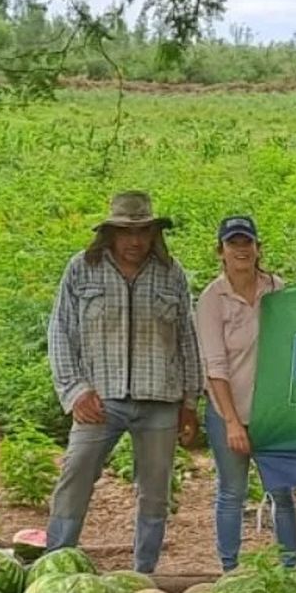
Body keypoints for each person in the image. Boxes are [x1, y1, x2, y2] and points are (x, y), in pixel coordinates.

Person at [44, 191, 201, 573]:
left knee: (155, 493)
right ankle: (55, 562)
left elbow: (187, 338)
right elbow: (60, 331)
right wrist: (74, 389)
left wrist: (190, 402)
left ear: (154, 234)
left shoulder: (171, 272)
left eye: (143, 232)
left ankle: (142, 573)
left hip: (160, 399)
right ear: (110, 234)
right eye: (126, 232)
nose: (135, 241)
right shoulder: (82, 268)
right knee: (76, 473)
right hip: (100, 398)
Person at [194, 214, 296, 572]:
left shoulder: (277, 289)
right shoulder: (212, 299)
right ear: (220, 251)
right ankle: (231, 570)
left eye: (247, 242)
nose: (241, 249)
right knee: (232, 493)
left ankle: (290, 567)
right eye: (233, 243)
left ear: (258, 248)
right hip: (228, 409)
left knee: (282, 492)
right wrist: (233, 423)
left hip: (271, 412)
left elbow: (289, 347)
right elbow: (215, 366)